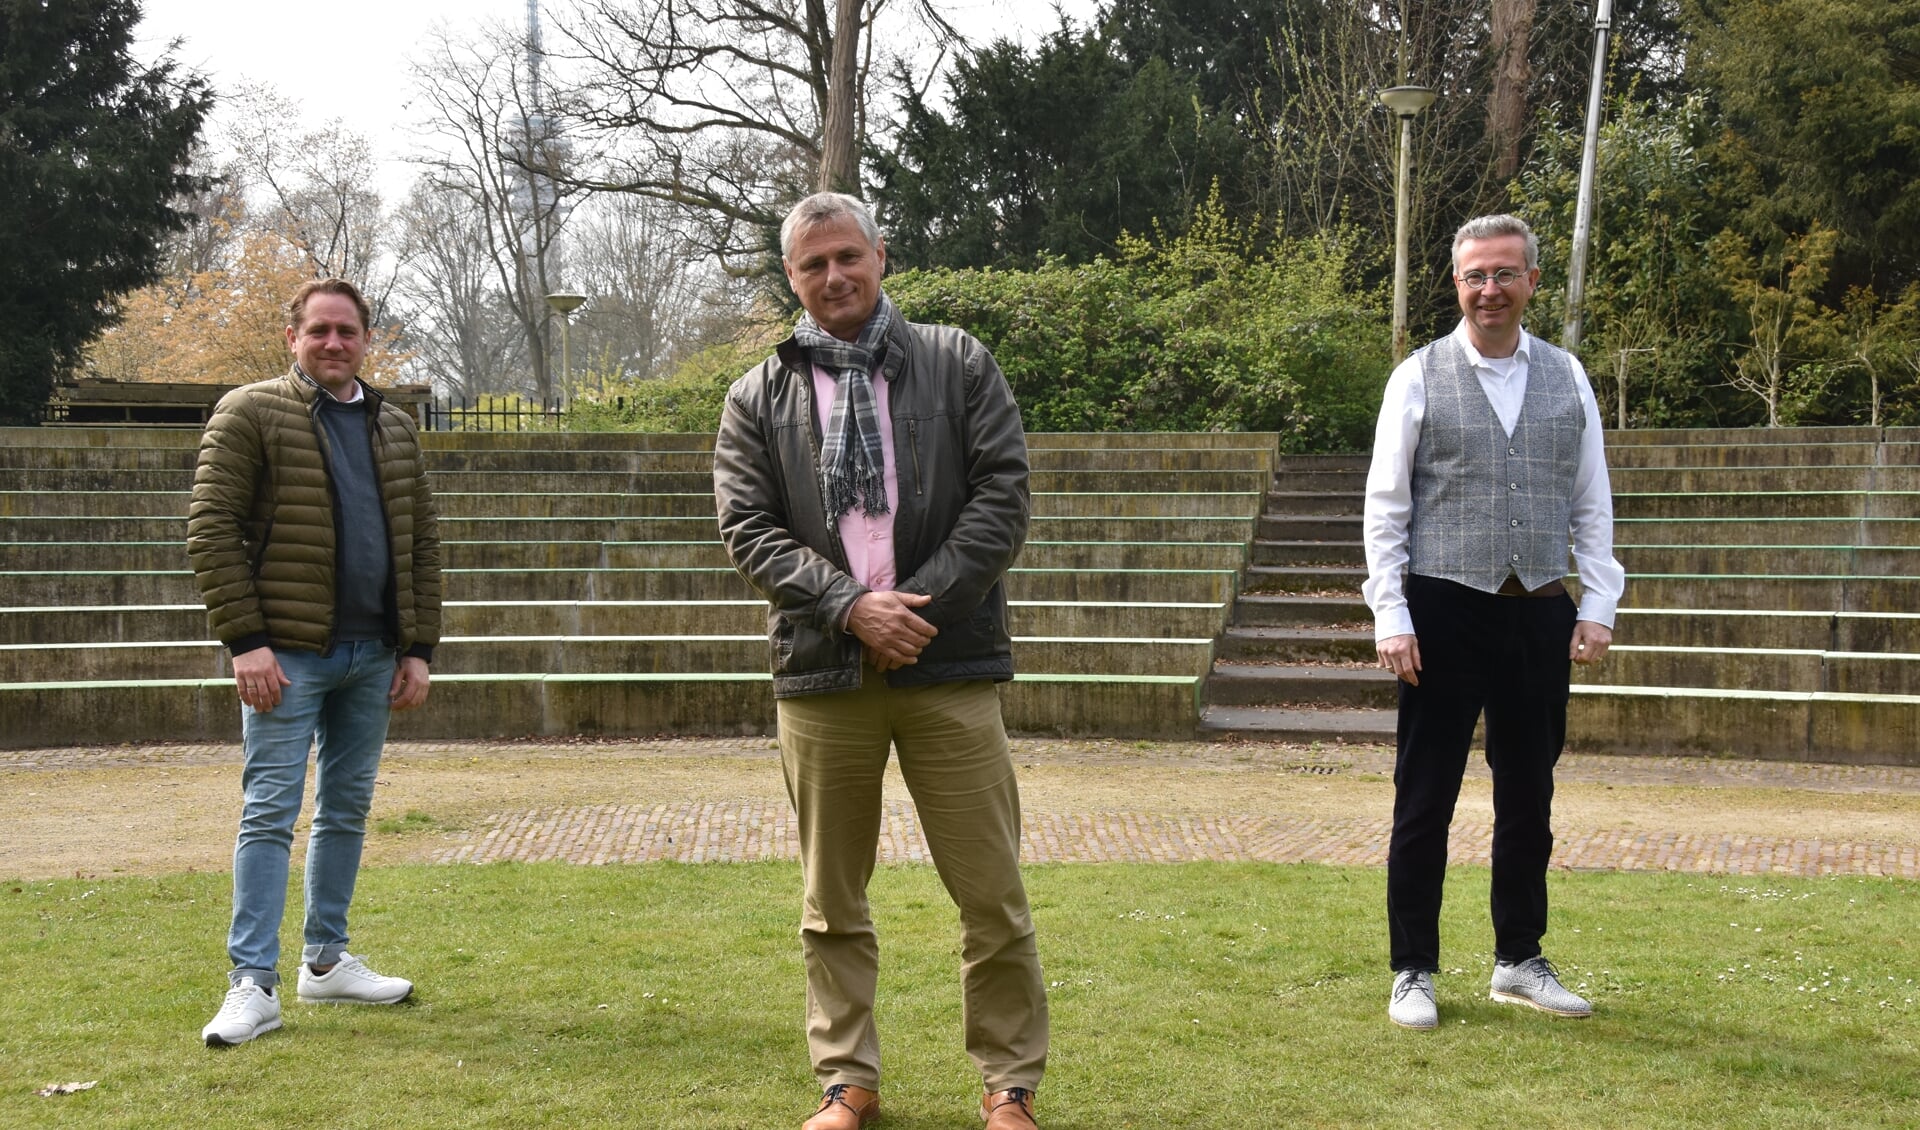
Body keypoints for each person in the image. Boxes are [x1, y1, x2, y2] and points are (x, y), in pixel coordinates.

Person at [714, 193, 1046, 1130]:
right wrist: (849, 607)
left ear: (881, 256)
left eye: (847, 256)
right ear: (792, 277)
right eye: (813, 264)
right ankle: (846, 1081)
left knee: (992, 895)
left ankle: (1009, 1084)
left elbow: (1003, 497)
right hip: (825, 670)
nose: (833, 277)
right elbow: (747, 527)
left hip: (948, 663)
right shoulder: (757, 394)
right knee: (831, 902)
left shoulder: (956, 361)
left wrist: (915, 609)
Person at [1362, 214, 1625, 1031]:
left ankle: (1518, 959)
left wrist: (1598, 602)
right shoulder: (1417, 375)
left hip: (1539, 611)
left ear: (1532, 282)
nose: (1490, 289)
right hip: (1441, 607)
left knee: (1529, 797)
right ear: (1456, 284)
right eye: (1476, 275)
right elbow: (1386, 508)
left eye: (1506, 273)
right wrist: (1391, 613)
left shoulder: (1567, 375)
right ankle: (1413, 969)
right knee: (1425, 798)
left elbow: (1591, 499)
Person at [187, 278, 441, 1046]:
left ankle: (326, 962)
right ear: (292, 337)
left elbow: (423, 544)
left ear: (367, 339)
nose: (334, 343)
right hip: (285, 656)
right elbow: (211, 528)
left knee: (345, 810)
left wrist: (420, 648)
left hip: (374, 654)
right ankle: (251, 984)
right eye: (319, 330)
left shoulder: (394, 426)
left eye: (348, 331)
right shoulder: (250, 411)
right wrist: (245, 642)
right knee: (269, 813)